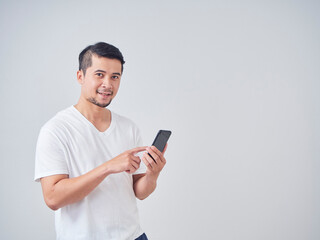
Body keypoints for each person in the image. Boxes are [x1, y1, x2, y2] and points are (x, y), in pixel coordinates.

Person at [34, 42, 167, 240]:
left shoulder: (128, 127)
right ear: (80, 76)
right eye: (99, 74)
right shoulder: (56, 130)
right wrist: (108, 167)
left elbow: (139, 191)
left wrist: (152, 175)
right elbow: (53, 198)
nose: (108, 84)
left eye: (115, 77)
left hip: (133, 236)